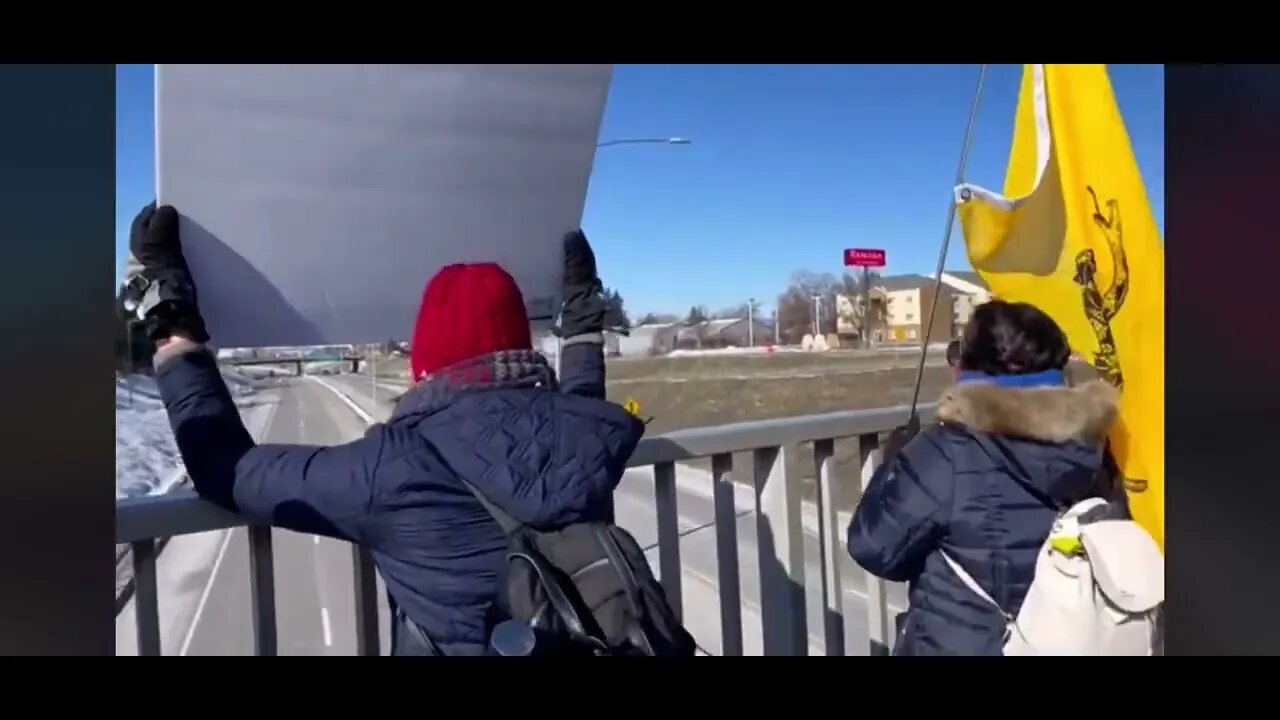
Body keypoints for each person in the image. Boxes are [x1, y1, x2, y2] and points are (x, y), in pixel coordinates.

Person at [125, 203, 645, 656]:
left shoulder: (390, 467)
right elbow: (581, 401)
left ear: (424, 365)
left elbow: (226, 469)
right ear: (522, 352)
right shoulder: (579, 440)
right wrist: (582, 321)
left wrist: (173, 321)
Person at [846, 299, 1123, 656]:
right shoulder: (1094, 445)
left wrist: (894, 463)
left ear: (969, 370)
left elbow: (874, 547)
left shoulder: (947, 451)